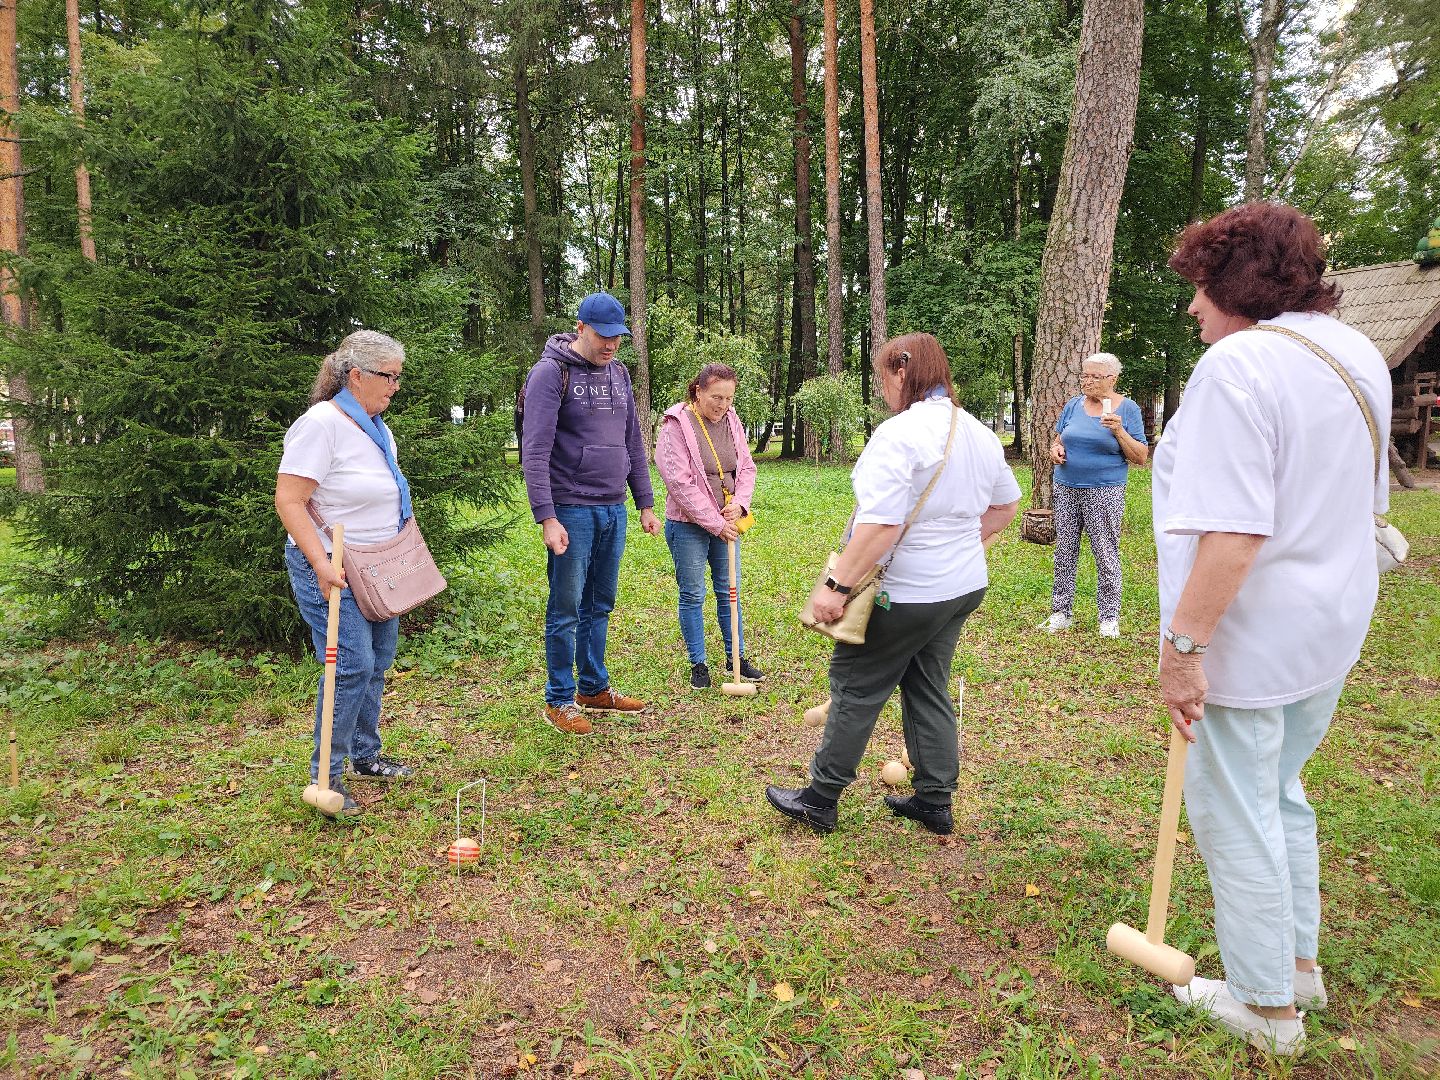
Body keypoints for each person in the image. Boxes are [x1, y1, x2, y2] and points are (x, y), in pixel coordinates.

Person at [1156, 202, 1391, 1056]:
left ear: (1237, 280)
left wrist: (1184, 650)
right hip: (1331, 622)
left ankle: (1265, 1008)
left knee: (1233, 808)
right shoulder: (1353, 351)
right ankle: (1296, 968)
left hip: (1249, 637)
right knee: (1282, 790)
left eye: (1201, 286)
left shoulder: (1239, 367)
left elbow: (1235, 530)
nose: (1193, 307)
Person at [765, 333, 1020, 835]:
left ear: (901, 372)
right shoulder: (979, 432)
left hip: (907, 593)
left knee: (856, 685)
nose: (883, 389)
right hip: (961, 588)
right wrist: (959, 548)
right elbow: (1005, 507)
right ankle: (934, 800)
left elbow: (880, 527)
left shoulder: (900, 433)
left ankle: (820, 797)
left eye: (884, 377)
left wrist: (836, 587)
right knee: (928, 685)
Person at [275, 331, 416, 817]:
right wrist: (319, 563)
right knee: (349, 665)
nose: (395, 386)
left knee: (377, 661)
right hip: (332, 564)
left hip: (379, 563)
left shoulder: (376, 426)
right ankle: (326, 776)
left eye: (399, 376)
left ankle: (365, 756)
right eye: (388, 376)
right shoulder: (321, 424)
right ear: (356, 376)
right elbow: (289, 501)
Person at [521, 291, 661, 735]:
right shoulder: (550, 373)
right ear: (581, 327)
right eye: (603, 336)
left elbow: (633, 442)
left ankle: (593, 687)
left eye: (618, 337)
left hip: (612, 508)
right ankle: (559, 699)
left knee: (600, 603)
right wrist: (547, 515)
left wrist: (645, 502)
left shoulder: (619, 373)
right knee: (565, 607)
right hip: (571, 508)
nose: (611, 345)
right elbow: (535, 449)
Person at [655, 364, 765, 690]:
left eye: (729, 398)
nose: (722, 405)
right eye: (716, 397)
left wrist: (740, 504)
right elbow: (679, 483)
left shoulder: (732, 420)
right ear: (698, 391)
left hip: (727, 521)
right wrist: (715, 523)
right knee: (692, 594)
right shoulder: (675, 426)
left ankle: (737, 658)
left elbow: (746, 467)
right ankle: (698, 664)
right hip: (688, 524)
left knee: (729, 592)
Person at [1045, 352, 1148, 638]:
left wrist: (1118, 431)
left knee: (1105, 551)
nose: (1087, 381)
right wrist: (1056, 450)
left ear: (1112, 379)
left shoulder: (1127, 410)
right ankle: (1060, 612)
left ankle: (1108, 617)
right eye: (1084, 375)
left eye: (1095, 376)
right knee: (1064, 551)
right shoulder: (1073, 405)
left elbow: (1140, 456)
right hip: (1066, 486)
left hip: (1104, 489)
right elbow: (1059, 438)